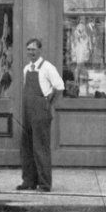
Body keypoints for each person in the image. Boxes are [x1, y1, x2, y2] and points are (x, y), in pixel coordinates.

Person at [16, 38, 65, 193]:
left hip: (41, 110)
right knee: (26, 146)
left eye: (33, 49)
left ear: (40, 50)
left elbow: (59, 87)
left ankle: (44, 184)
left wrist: (48, 105)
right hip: (28, 111)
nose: (31, 52)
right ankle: (28, 181)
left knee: (41, 147)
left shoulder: (47, 67)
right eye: (28, 49)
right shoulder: (26, 69)